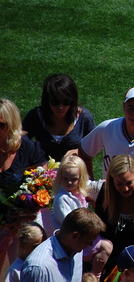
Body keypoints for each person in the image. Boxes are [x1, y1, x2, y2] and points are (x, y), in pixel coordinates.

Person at [0, 98, 48, 266]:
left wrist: (26, 210)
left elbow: (44, 181)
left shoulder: (27, 148)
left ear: (12, 125)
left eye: (0, 125)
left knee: (24, 266)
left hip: (21, 221)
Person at [52, 154, 113, 278]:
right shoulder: (62, 199)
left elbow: (92, 185)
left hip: (82, 233)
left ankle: (93, 274)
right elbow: (70, 223)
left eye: (74, 179)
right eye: (65, 178)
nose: (69, 182)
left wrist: (105, 183)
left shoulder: (78, 191)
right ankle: (95, 276)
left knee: (107, 245)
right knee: (106, 247)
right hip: (72, 239)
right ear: (60, 177)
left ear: (81, 178)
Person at [22, 74, 96, 161]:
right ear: (47, 100)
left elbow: (93, 147)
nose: (61, 107)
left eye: (66, 102)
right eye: (55, 102)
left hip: (73, 168)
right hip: (43, 168)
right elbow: (21, 141)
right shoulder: (36, 116)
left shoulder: (84, 117)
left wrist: (77, 151)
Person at [21, 208, 106, 282]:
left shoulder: (76, 250)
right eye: (88, 241)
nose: (90, 245)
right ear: (75, 236)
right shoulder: (39, 267)